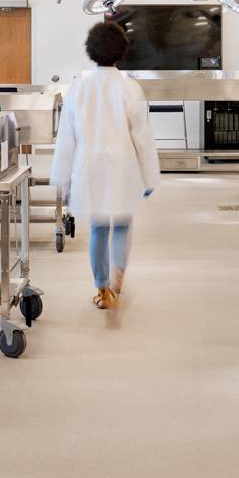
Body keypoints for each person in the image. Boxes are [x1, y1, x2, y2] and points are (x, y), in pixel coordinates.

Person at [51, 21, 161, 310]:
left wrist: (62, 177)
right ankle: (116, 281)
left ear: (91, 51)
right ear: (121, 51)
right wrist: (149, 177)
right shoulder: (129, 88)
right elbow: (142, 136)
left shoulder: (79, 87)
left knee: (99, 228)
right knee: (123, 224)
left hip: (90, 167)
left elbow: (67, 136)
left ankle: (102, 290)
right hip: (123, 166)